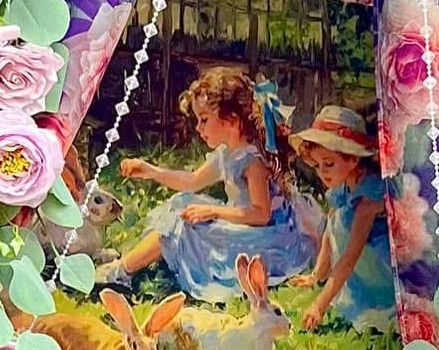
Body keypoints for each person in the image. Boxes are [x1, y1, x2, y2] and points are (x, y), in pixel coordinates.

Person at [99, 67, 321, 299]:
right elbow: (193, 181)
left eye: (204, 120)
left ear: (232, 121)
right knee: (183, 203)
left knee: (183, 223)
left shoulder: (251, 161)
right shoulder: (228, 153)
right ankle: (127, 267)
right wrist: (151, 171)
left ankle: (121, 271)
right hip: (243, 225)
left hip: (264, 238)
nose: (198, 128)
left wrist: (213, 212)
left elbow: (261, 214)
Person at [289, 106, 395, 335]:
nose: (322, 172)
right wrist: (316, 274)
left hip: (378, 276)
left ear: (353, 159)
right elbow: (330, 230)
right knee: (336, 219)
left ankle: (376, 307)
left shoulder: (368, 199)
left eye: (329, 164)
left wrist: (319, 304)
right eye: (317, 165)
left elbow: (349, 258)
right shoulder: (342, 189)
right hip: (356, 272)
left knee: (373, 321)